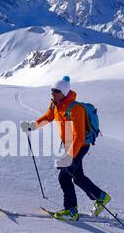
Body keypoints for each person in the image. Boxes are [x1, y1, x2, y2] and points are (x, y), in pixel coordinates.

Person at [21, 76, 111, 220]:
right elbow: (48, 117)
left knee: (64, 175)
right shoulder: (55, 104)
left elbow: (79, 137)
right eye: (52, 90)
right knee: (77, 177)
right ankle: (101, 197)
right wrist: (32, 126)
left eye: (56, 91)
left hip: (80, 146)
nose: (53, 93)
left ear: (64, 92)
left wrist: (69, 157)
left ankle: (71, 211)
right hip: (69, 145)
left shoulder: (75, 108)